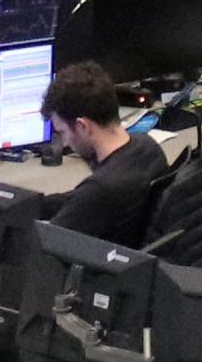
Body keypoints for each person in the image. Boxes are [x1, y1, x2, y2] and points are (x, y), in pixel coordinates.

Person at [40, 60, 170, 248]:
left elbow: (44, 247)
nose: (65, 143)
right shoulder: (148, 147)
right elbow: (76, 202)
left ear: (82, 126)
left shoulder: (100, 190)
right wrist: (28, 204)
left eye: (63, 132)